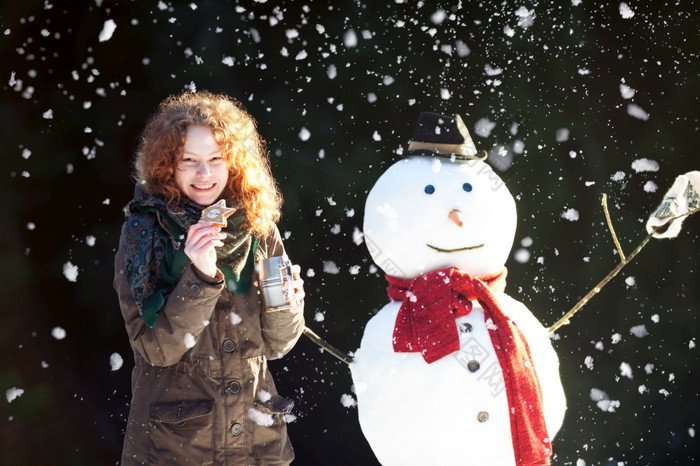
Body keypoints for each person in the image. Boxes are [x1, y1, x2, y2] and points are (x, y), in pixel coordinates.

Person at [113, 90, 305, 465]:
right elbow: (157, 349)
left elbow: (279, 344)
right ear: (167, 165)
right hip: (177, 449)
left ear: (234, 163)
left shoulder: (256, 224)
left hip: (257, 445)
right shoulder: (144, 232)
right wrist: (200, 274)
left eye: (217, 159)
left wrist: (289, 303)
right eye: (189, 161)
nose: (205, 174)